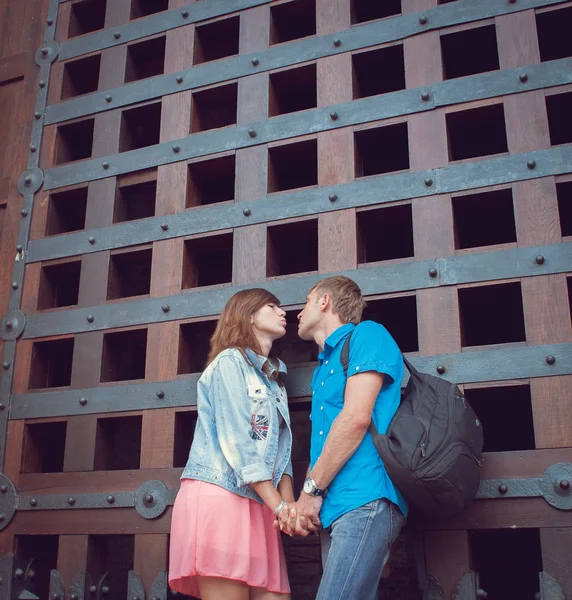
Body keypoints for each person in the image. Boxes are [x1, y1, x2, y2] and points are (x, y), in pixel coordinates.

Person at [169, 288, 295, 600]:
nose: (283, 312)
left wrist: (288, 507)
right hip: (221, 495)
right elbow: (237, 439)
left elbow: (282, 452)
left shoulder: (275, 380)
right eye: (272, 305)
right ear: (249, 315)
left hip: (260, 502)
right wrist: (278, 505)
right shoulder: (229, 363)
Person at [291, 275, 408, 600]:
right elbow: (327, 441)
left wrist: (310, 492)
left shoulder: (368, 334)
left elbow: (356, 418)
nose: (299, 313)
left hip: (365, 498)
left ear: (324, 301)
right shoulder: (323, 367)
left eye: (306, 301)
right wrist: (308, 500)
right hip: (334, 507)